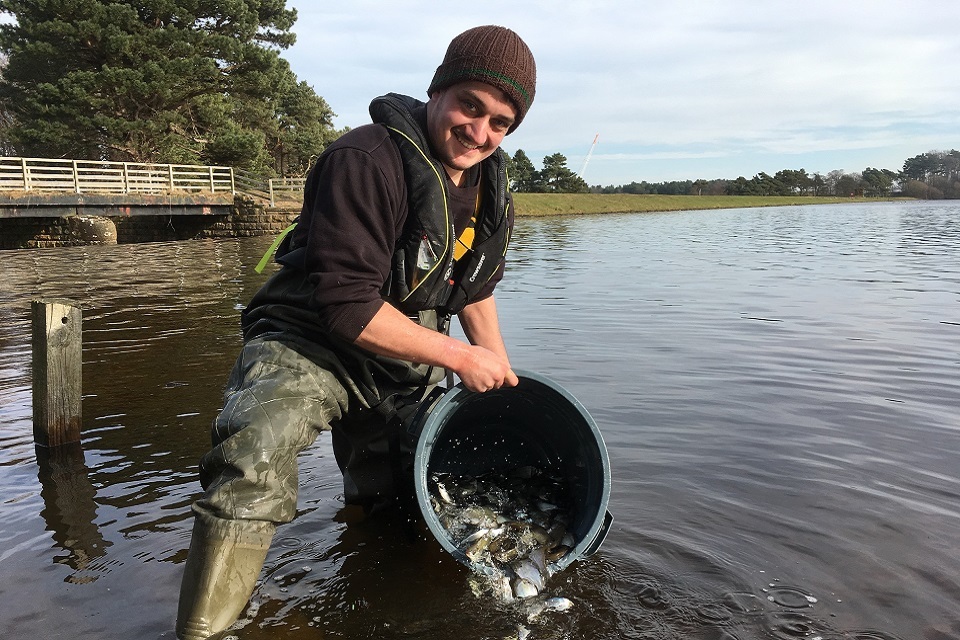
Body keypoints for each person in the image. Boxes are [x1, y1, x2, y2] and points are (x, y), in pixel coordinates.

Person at [175, 25, 536, 640]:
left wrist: (495, 368)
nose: (479, 133)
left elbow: (475, 288)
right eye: (469, 106)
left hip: (401, 348)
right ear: (438, 91)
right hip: (308, 338)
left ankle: (377, 595)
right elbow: (345, 304)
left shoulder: (491, 187)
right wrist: (457, 355)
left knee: (404, 489)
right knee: (253, 458)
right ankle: (202, 632)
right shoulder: (365, 158)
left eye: (499, 122)